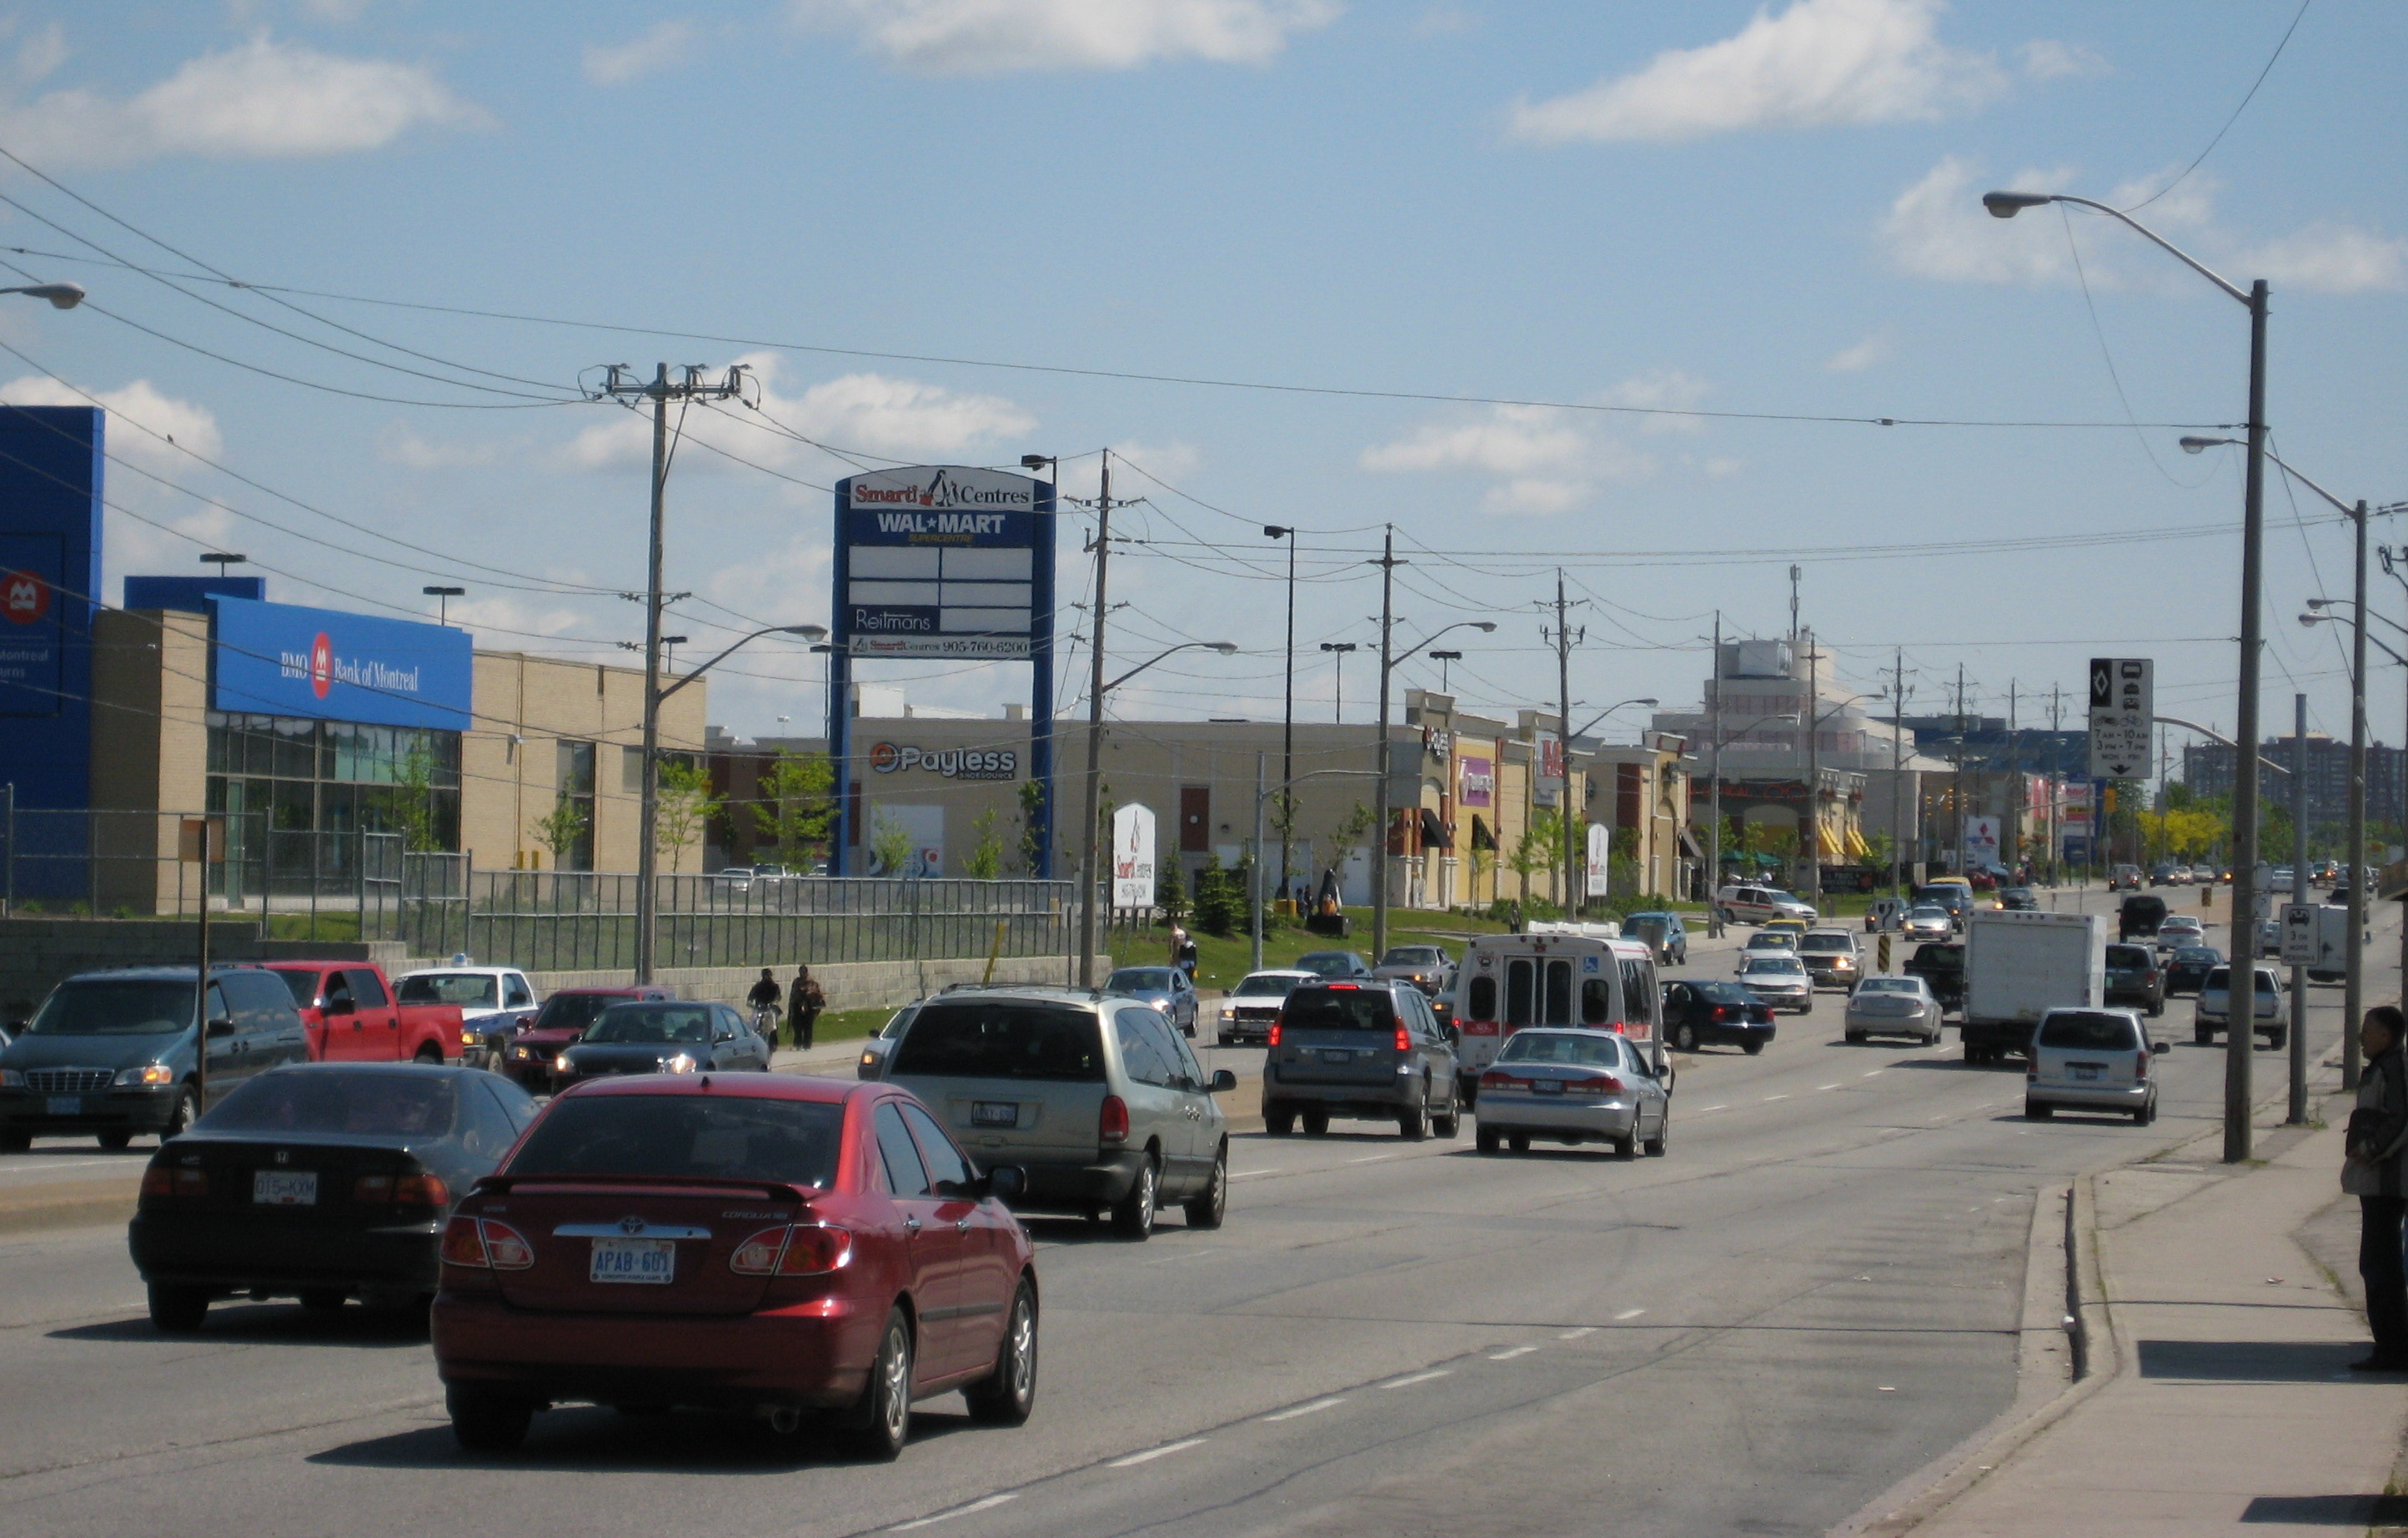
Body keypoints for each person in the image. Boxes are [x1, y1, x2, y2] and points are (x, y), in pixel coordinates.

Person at [2345, 1003, 2408, 1372]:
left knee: (2380, 1267)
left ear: (2385, 1036)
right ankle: (2390, 1347)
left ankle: (2393, 1350)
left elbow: (2402, 1117)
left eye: (2367, 1031)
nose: (2362, 1038)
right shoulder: (2381, 1068)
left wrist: (2371, 1150)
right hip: (2374, 1184)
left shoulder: (2394, 1068)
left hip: (2388, 1184)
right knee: (2376, 1266)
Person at [788, 965, 825, 1050]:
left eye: (804, 972)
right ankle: (798, 1043)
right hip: (797, 1006)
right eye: (801, 972)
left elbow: (817, 995)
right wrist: (791, 1006)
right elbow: (793, 995)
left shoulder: (812, 983)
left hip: (809, 1007)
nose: (802, 975)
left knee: (808, 1026)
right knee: (797, 1026)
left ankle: (807, 1044)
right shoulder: (797, 982)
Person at [745, 968, 782, 1038]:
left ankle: (773, 1039)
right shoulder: (758, 986)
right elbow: (751, 997)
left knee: (773, 1023)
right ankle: (753, 1035)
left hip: (770, 1008)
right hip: (759, 1008)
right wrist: (751, 1003)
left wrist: (774, 1002)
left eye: (768, 976)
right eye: (765, 976)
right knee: (753, 1021)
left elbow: (778, 997)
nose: (766, 977)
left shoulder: (775, 987)